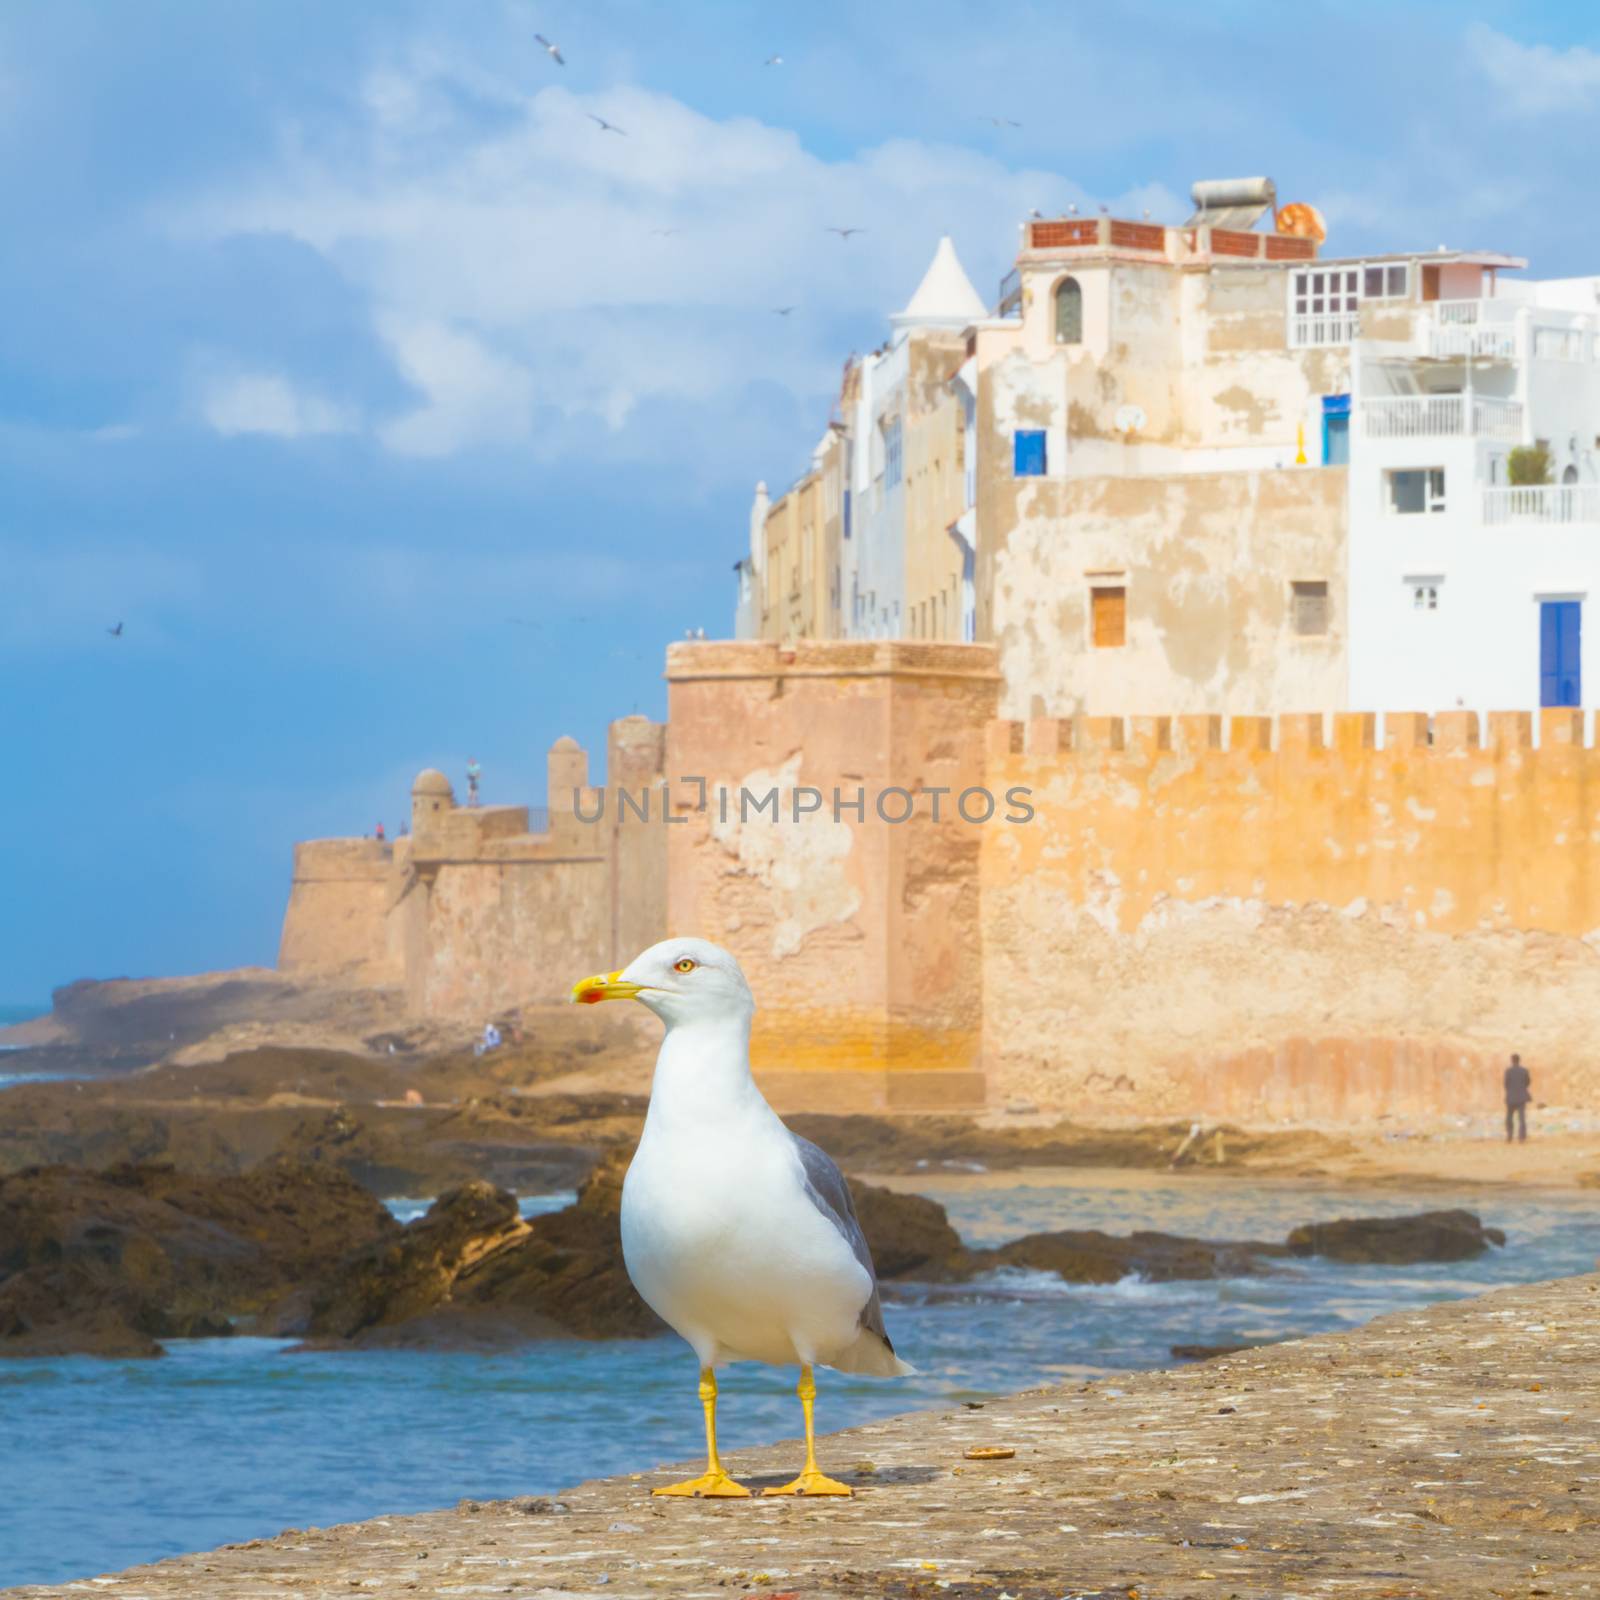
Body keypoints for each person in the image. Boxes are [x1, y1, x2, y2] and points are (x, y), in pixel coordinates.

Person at [1504, 1052, 1532, 1143]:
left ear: (1512, 1060)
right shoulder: (1524, 1070)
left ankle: (1509, 1136)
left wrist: (1511, 1091)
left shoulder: (1508, 1071)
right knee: (1522, 1118)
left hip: (1511, 1097)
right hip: (1521, 1097)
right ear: (1519, 1060)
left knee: (1509, 1118)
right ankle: (1521, 1137)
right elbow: (1528, 1082)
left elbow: (1506, 1084)